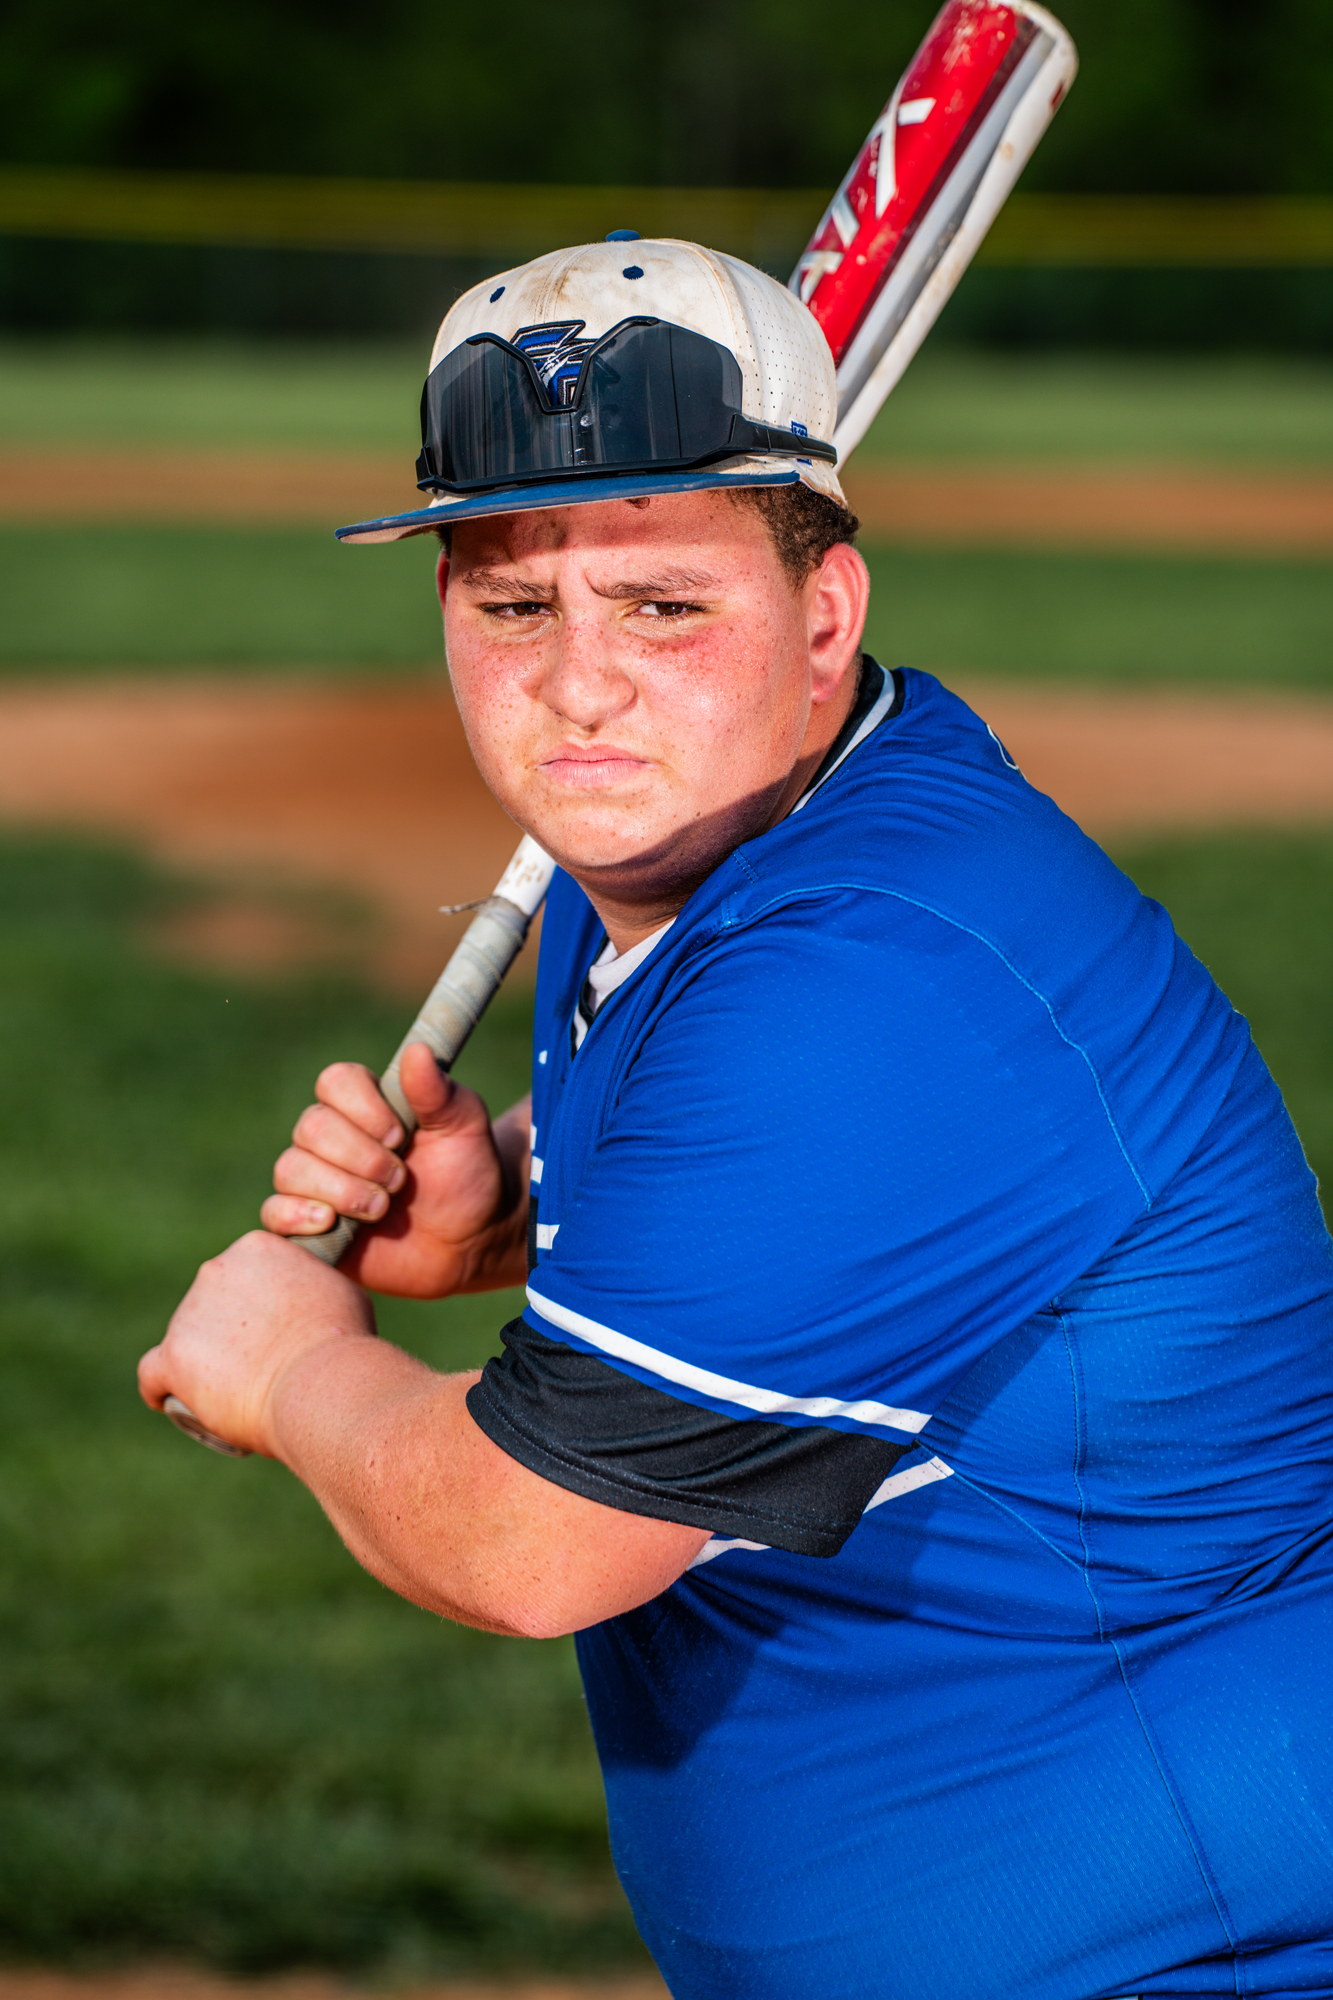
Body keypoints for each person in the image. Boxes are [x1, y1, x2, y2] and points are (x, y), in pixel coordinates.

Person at [140, 237, 1333, 2000]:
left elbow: (531, 1539)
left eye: (663, 605)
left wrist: (290, 1365)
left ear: (824, 614)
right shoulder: (690, 851)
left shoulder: (875, 970)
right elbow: (835, 1187)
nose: (578, 683)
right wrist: (521, 1198)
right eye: (512, 606)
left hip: (1200, 1953)